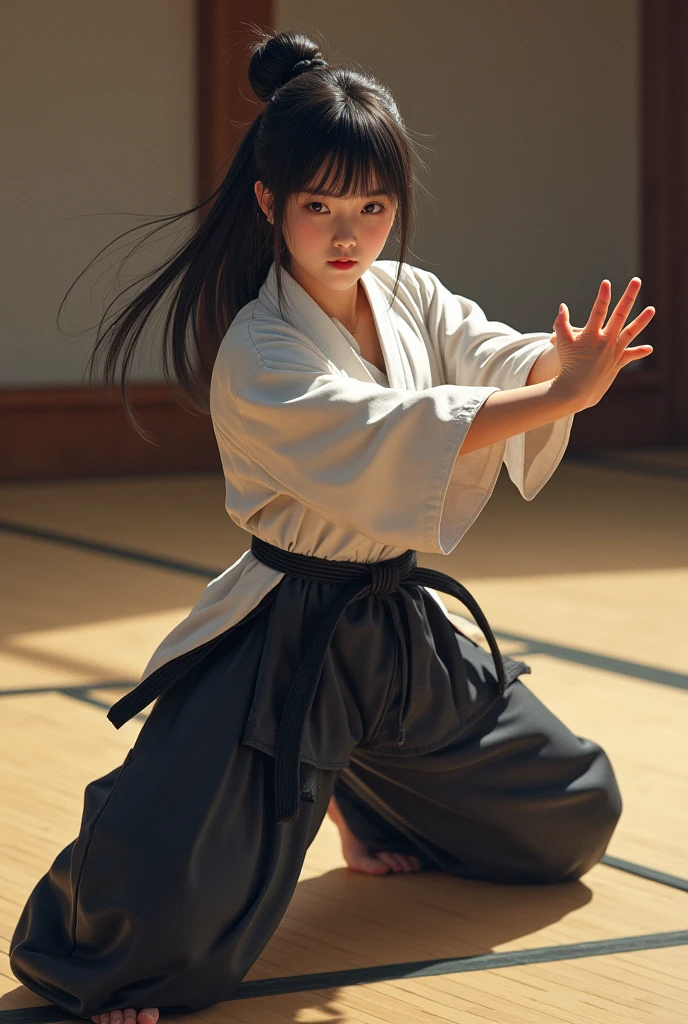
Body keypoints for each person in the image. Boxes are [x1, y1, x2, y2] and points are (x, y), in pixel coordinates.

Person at [9, 27, 655, 1024]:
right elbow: (391, 432)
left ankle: (365, 775)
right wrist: (561, 396)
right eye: (318, 207)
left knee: (572, 816)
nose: (347, 232)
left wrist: (553, 371)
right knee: (153, 930)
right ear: (269, 204)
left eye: (372, 206)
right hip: (284, 639)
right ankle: (300, 789)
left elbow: (487, 355)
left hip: (399, 626)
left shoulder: (404, 295)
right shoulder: (260, 350)